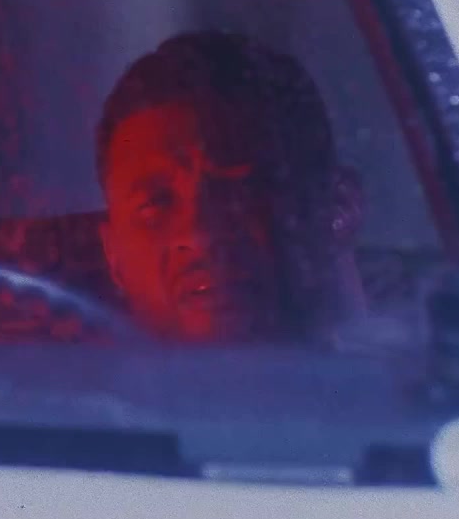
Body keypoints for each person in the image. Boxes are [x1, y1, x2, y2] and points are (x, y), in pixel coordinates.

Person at [95, 30, 364, 342]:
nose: (200, 234)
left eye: (238, 191)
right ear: (113, 256)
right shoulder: (56, 372)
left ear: (339, 208)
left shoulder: (408, 355)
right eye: (156, 204)